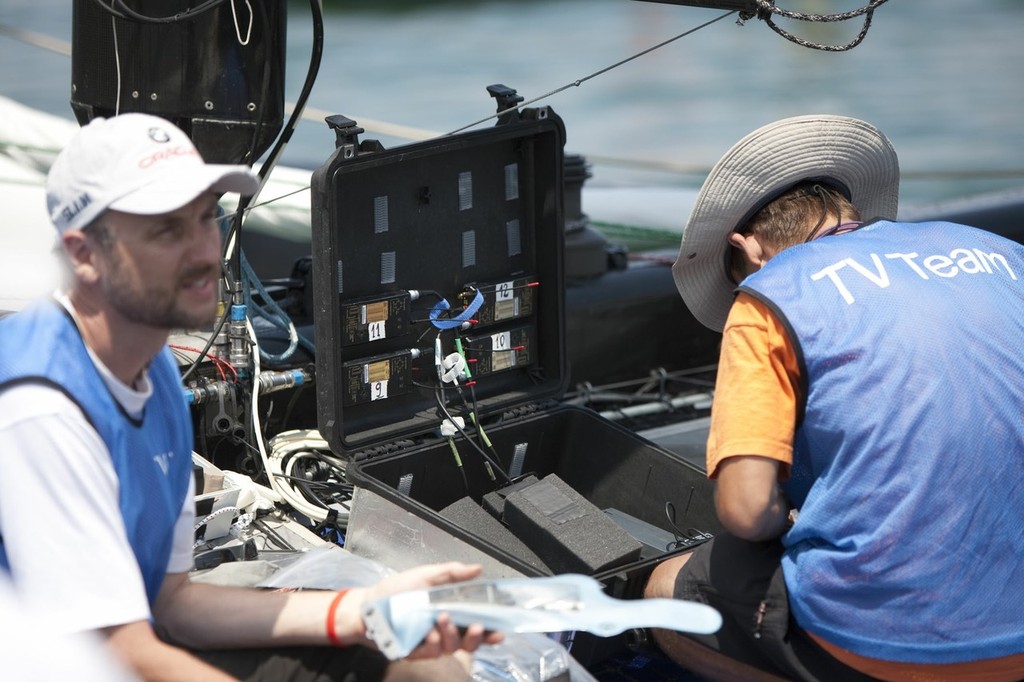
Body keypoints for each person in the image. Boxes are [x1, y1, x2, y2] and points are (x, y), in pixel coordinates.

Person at [0, 113, 502, 681]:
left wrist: (365, 612)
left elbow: (173, 605)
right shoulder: (40, 407)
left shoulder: (152, 370)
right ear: (84, 254)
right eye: (167, 230)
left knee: (431, 669)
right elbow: (111, 654)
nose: (204, 251)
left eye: (205, 218)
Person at [643, 114, 1024, 681]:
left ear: (746, 248)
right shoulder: (1000, 253)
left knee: (667, 595)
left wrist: (790, 517)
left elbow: (746, 513)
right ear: (852, 208)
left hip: (891, 645)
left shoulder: (767, 295)